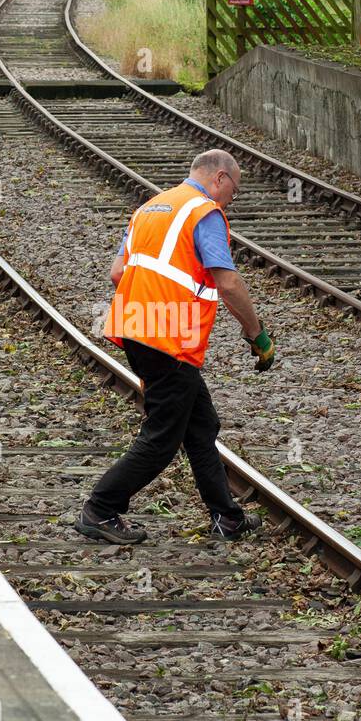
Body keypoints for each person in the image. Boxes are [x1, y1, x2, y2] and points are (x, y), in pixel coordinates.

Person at [77, 149, 276, 545]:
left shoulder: (150, 208)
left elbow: (119, 273)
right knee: (163, 436)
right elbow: (228, 281)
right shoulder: (203, 212)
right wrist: (257, 334)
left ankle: (227, 518)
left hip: (139, 330)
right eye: (233, 191)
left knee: (201, 426)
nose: (231, 200)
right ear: (220, 178)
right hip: (169, 336)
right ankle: (100, 508)